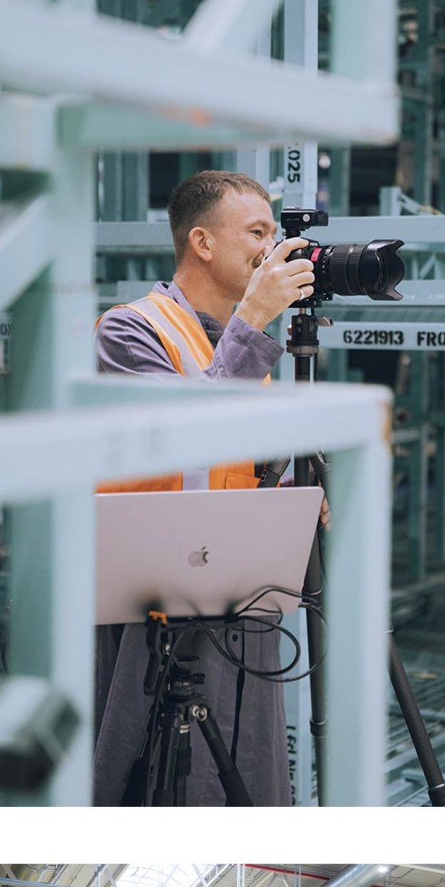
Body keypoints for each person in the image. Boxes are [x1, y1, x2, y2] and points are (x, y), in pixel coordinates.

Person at [93, 170, 317, 810]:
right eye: (257, 231)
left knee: (246, 771)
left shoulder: (245, 346)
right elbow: (184, 441)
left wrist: (287, 488)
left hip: (239, 590)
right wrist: (254, 318)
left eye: (273, 233)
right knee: (152, 777)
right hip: (151, 604)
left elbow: (237, 465)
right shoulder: (128, 332)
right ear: (202, 242)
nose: (272, 247)